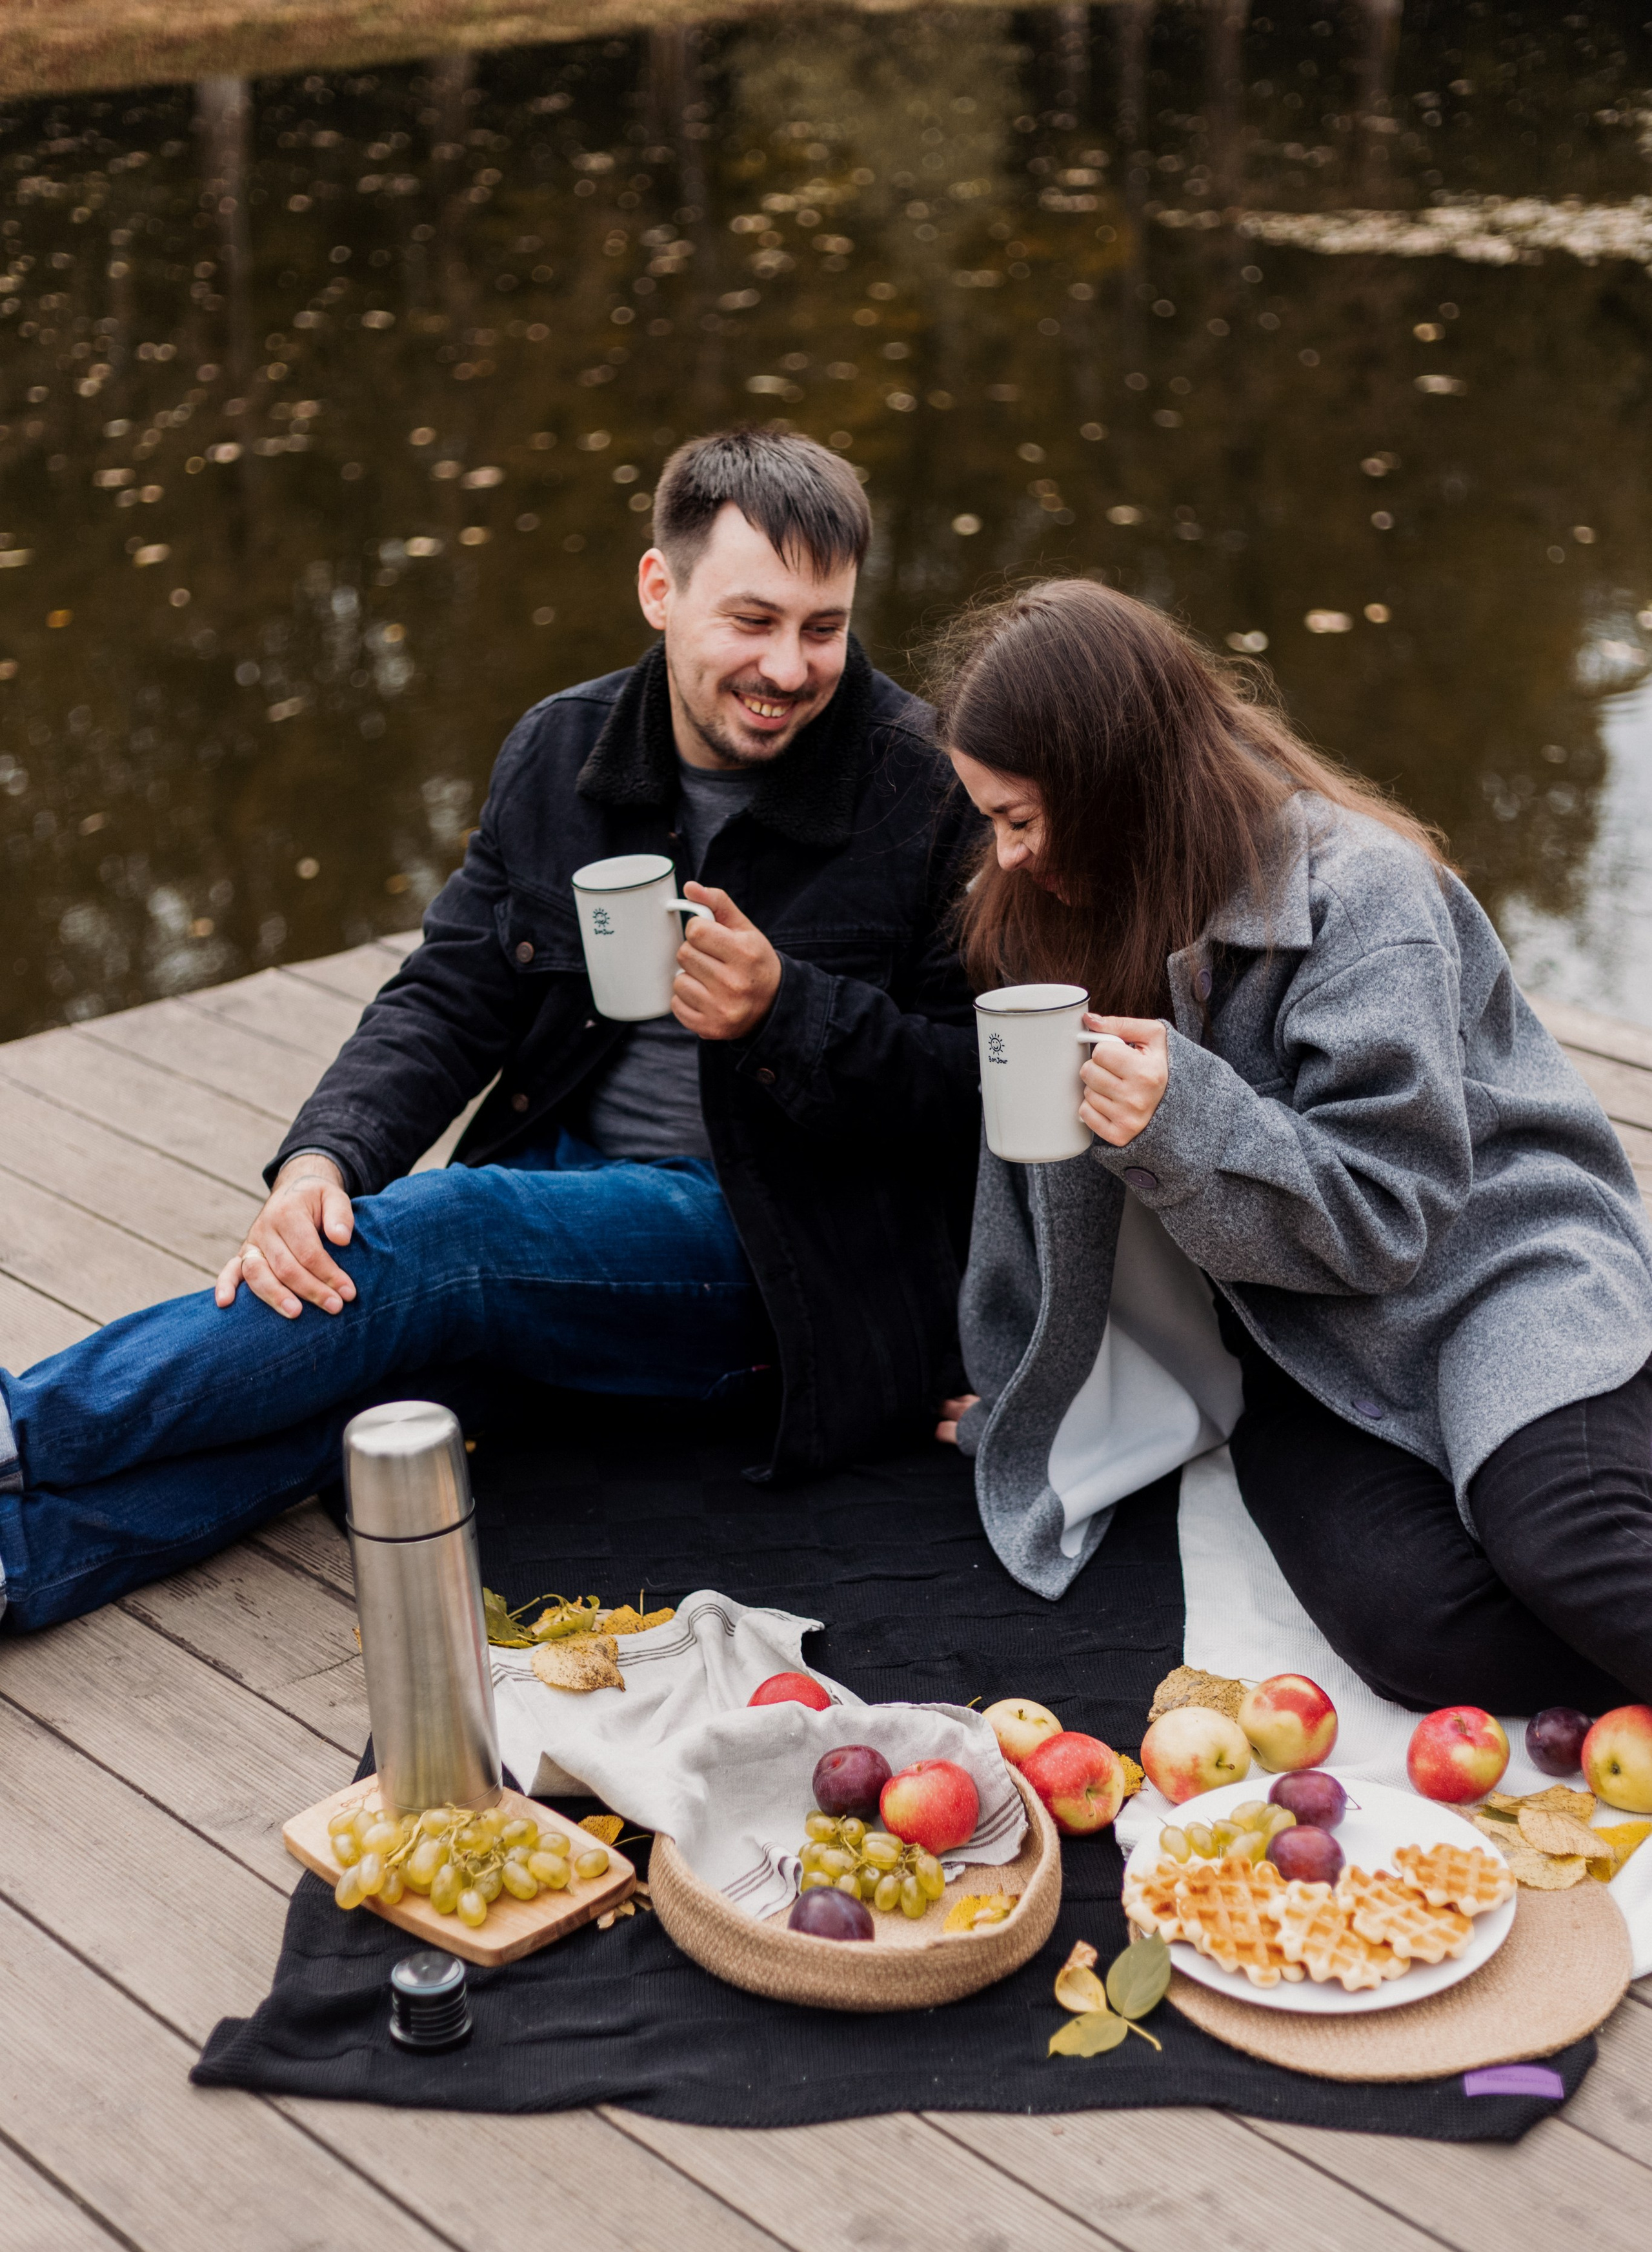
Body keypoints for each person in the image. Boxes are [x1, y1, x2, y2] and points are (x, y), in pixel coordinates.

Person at [0, 430, 980, 1632]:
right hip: (569, 1199)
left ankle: (19, 1425)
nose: (788, 665)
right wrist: (325, 1160)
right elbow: (449, 992)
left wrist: (792, 1011)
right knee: (384, 1394)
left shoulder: (923, 786)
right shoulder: (562, 752)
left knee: (449, 1232)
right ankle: (20, 1555)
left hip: (784, 1259)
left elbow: (973, 1095)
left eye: (822, 628)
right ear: (659, 591)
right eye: (752, 621)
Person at [930, 579, 1652, 1714]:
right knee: (1418, 1636)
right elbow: (1031, 1205)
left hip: (1490, 1278)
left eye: (1020, 819)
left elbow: (1391, 1217)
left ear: (1117, 790)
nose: (1006, 856)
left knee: (1570, 1556)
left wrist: (1182, 1120)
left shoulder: (1364, 896)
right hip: (1297, 1341)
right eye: (992, 820)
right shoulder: (1066, 905)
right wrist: (1033, 1393)